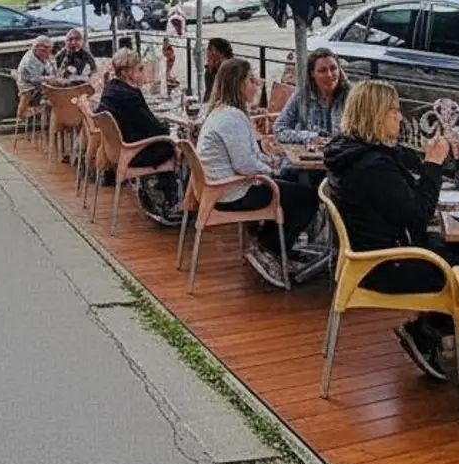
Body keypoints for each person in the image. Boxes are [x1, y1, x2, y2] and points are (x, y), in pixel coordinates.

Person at [324, 81, 459, 382]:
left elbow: (405, 183)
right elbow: (419, 214)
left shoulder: (353, 153)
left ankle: (433, 331)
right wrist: (433, 165)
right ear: (375, 115)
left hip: (381, 252)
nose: (400, 117)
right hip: (387, 265)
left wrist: (439, 166)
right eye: (393, 111)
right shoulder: (371, 166)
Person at [197, 57, 317, 287]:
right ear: (239, 85)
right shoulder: (232, 118)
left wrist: (271, 162)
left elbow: (250, 155)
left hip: (223, 187)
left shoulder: (224, 112)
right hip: (231, 193)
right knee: (307, 198)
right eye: (252, 80)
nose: (257, 84)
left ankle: (271, 244)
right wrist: (272, 169)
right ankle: (269, 247)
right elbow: (245, 165)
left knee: (289, 182)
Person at [98, 48, 183, 224]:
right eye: (140, 69)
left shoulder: (111, 89)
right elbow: (154, 129)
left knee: (169, 141)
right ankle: (171, 201)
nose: (143, 72)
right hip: (134, 153)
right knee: (177, 146)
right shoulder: (131, 96)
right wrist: (171, 129)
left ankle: (156, 194)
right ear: (127, 72)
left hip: (118, 149)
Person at [275, 48, 349, 140]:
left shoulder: (351, 96)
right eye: (322, 70)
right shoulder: (303, 95)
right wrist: (313, 136)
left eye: (333, 68)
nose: (329, 75)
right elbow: (279, 129)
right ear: (312, 74)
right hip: (312, 148)